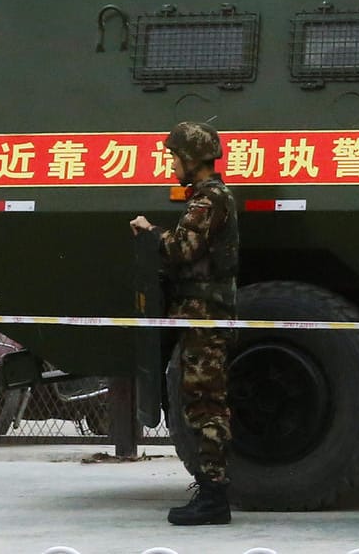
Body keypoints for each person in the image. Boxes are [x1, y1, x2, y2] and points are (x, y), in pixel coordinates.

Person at [131, 121, 239, 527]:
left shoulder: (209, 200)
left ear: (192, 159)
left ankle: (214, 497)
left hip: (204, 319)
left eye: (175, 157)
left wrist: (150, 233)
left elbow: (182, 249)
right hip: (201, 318)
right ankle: (211, 492)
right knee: (201, 402)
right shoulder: (210, 198)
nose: (172, 165)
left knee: (205, 404)